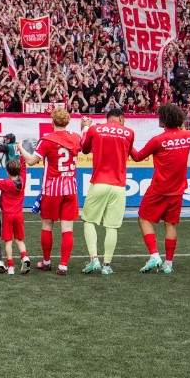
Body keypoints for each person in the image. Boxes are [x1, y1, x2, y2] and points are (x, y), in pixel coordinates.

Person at [130, 104, 190, 274]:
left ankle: (154, 255)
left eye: (160, 117)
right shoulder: (189, 135)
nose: (158, 119)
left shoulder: (158, 140)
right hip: (178, 190)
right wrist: (182, 129)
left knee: (143, 218)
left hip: (159, 188)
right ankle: (168, 264)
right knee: (170, 224)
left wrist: (128, 143)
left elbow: (137, 157)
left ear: (165, 120)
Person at [21, 107, 82, 275]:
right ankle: (63, 265)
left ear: (52, 121)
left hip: (52, 189)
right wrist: (85, 127)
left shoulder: (47, 140)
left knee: (47, 225)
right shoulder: (76, 137)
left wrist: (21, 149)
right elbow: (84, 145)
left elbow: (31, 161)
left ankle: (47, 262)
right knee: (67, 229)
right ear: (68, 121)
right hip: (70, 187)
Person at [79, 108, 134, 276]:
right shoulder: (129, 132)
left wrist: (85, 128)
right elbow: (130, 153)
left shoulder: (95, 129)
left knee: (89, 221)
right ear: (121, 119)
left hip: (99, 182)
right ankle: (106, 265)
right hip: (118, 185)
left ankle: (94, 259)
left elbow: (84, 149)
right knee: (111, 227)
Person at [0, 159, 30, 273]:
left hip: (7, 216)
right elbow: (24, 168)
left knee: (8, 241)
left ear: (7, 172)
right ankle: (24, 257)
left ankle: (11, 266)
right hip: (19, 215)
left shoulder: (5, 183)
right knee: (19, 240)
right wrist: (22, 155)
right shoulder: (22, 180)